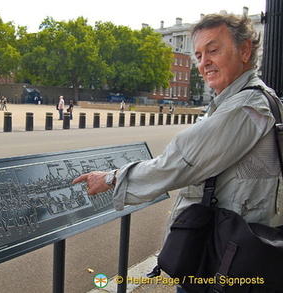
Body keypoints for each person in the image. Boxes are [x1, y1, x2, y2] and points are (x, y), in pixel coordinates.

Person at [72, 12, 283, 291]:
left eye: (213, 50)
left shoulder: (245, 108)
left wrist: (112, 179)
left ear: (244, 50)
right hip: (244, 243)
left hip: (220, 255)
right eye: (198, 55)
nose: (203, 62)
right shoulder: (267, 98)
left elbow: (178, 162)